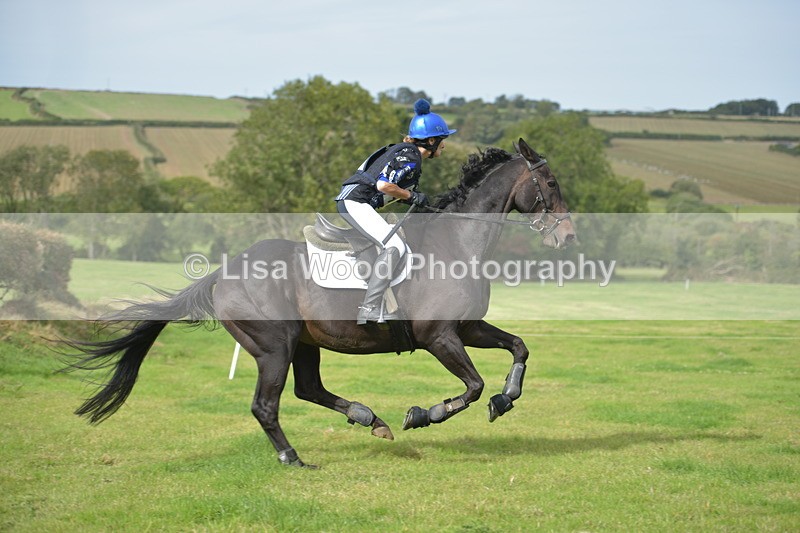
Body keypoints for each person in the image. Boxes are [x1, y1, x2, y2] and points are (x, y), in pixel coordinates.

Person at [335, 99, 457, 325]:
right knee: (395, 246)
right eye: (442, 141)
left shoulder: (403, 151)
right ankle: (369, 308)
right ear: (431, 141)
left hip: (355, 200)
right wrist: (411, 196)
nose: (444, 145)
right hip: (356, 202)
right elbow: (383, 186)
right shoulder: (410, 156)